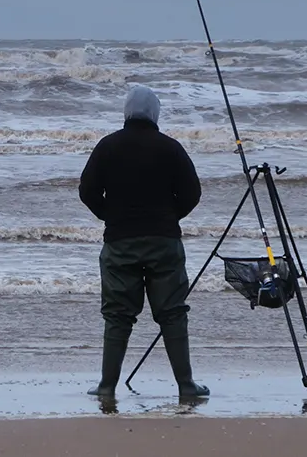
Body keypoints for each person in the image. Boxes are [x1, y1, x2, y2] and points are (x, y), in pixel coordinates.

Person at [79, 84, 208, 400]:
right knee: (173, 312)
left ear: (126, 112)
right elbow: (193, 193)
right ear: (155, 113)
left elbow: (87, 191)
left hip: (120, 242)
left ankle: (107, 386)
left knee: (118, 315)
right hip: (164, 241)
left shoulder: (107, 147)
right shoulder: (170, 148)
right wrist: (169, 217)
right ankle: (186, 385)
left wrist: (110, 216)